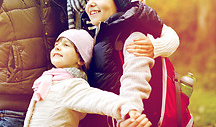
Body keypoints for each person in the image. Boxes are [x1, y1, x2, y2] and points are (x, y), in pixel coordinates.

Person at [82, 0, 174, 126]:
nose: (90, 3)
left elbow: (135, 77)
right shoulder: (102, 33)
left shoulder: (132, 36)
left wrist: (130, 112)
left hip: (126, 116)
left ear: (119, 1)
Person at [24, 29, 152, 127]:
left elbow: (98, 100)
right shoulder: (48, 80)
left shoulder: (72, 85)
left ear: (81, 59)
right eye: (56, 44)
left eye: (66, 45)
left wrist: (126, 108)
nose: (57, 47)